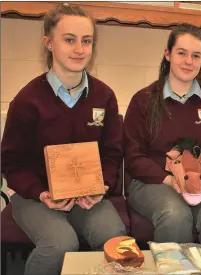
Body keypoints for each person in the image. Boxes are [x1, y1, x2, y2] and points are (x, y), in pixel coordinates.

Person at [1, 3, 126, 275]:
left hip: (86, 196)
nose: (79, 49)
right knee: (60, 243)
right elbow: (11, 164)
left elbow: (112, 154)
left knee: (114, 235)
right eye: (69, 40)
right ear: (48, 42)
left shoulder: (104, 96)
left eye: (86, 41)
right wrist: (41, 193)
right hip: (35, 197)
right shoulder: (27, 101)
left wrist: (99, 186)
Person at [124, 23, 201, 246]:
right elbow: (133, 155)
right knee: (174, 214)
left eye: (196, 55)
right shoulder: (143, 100)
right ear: (167, 54)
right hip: (153, 182)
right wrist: (168, 179)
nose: (188, 61)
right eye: (181, 53)